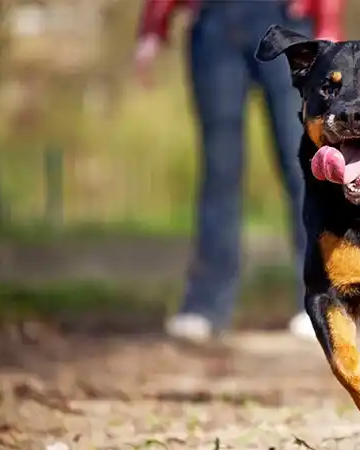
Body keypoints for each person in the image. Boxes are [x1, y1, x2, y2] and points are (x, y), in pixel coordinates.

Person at [134, 0, 344, 342]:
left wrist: (328, 20)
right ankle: (205, 305)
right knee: (219, 169)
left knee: (304, 164)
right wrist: (153, 25)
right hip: (214, 23)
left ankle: (323, 298)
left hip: (285, 19)